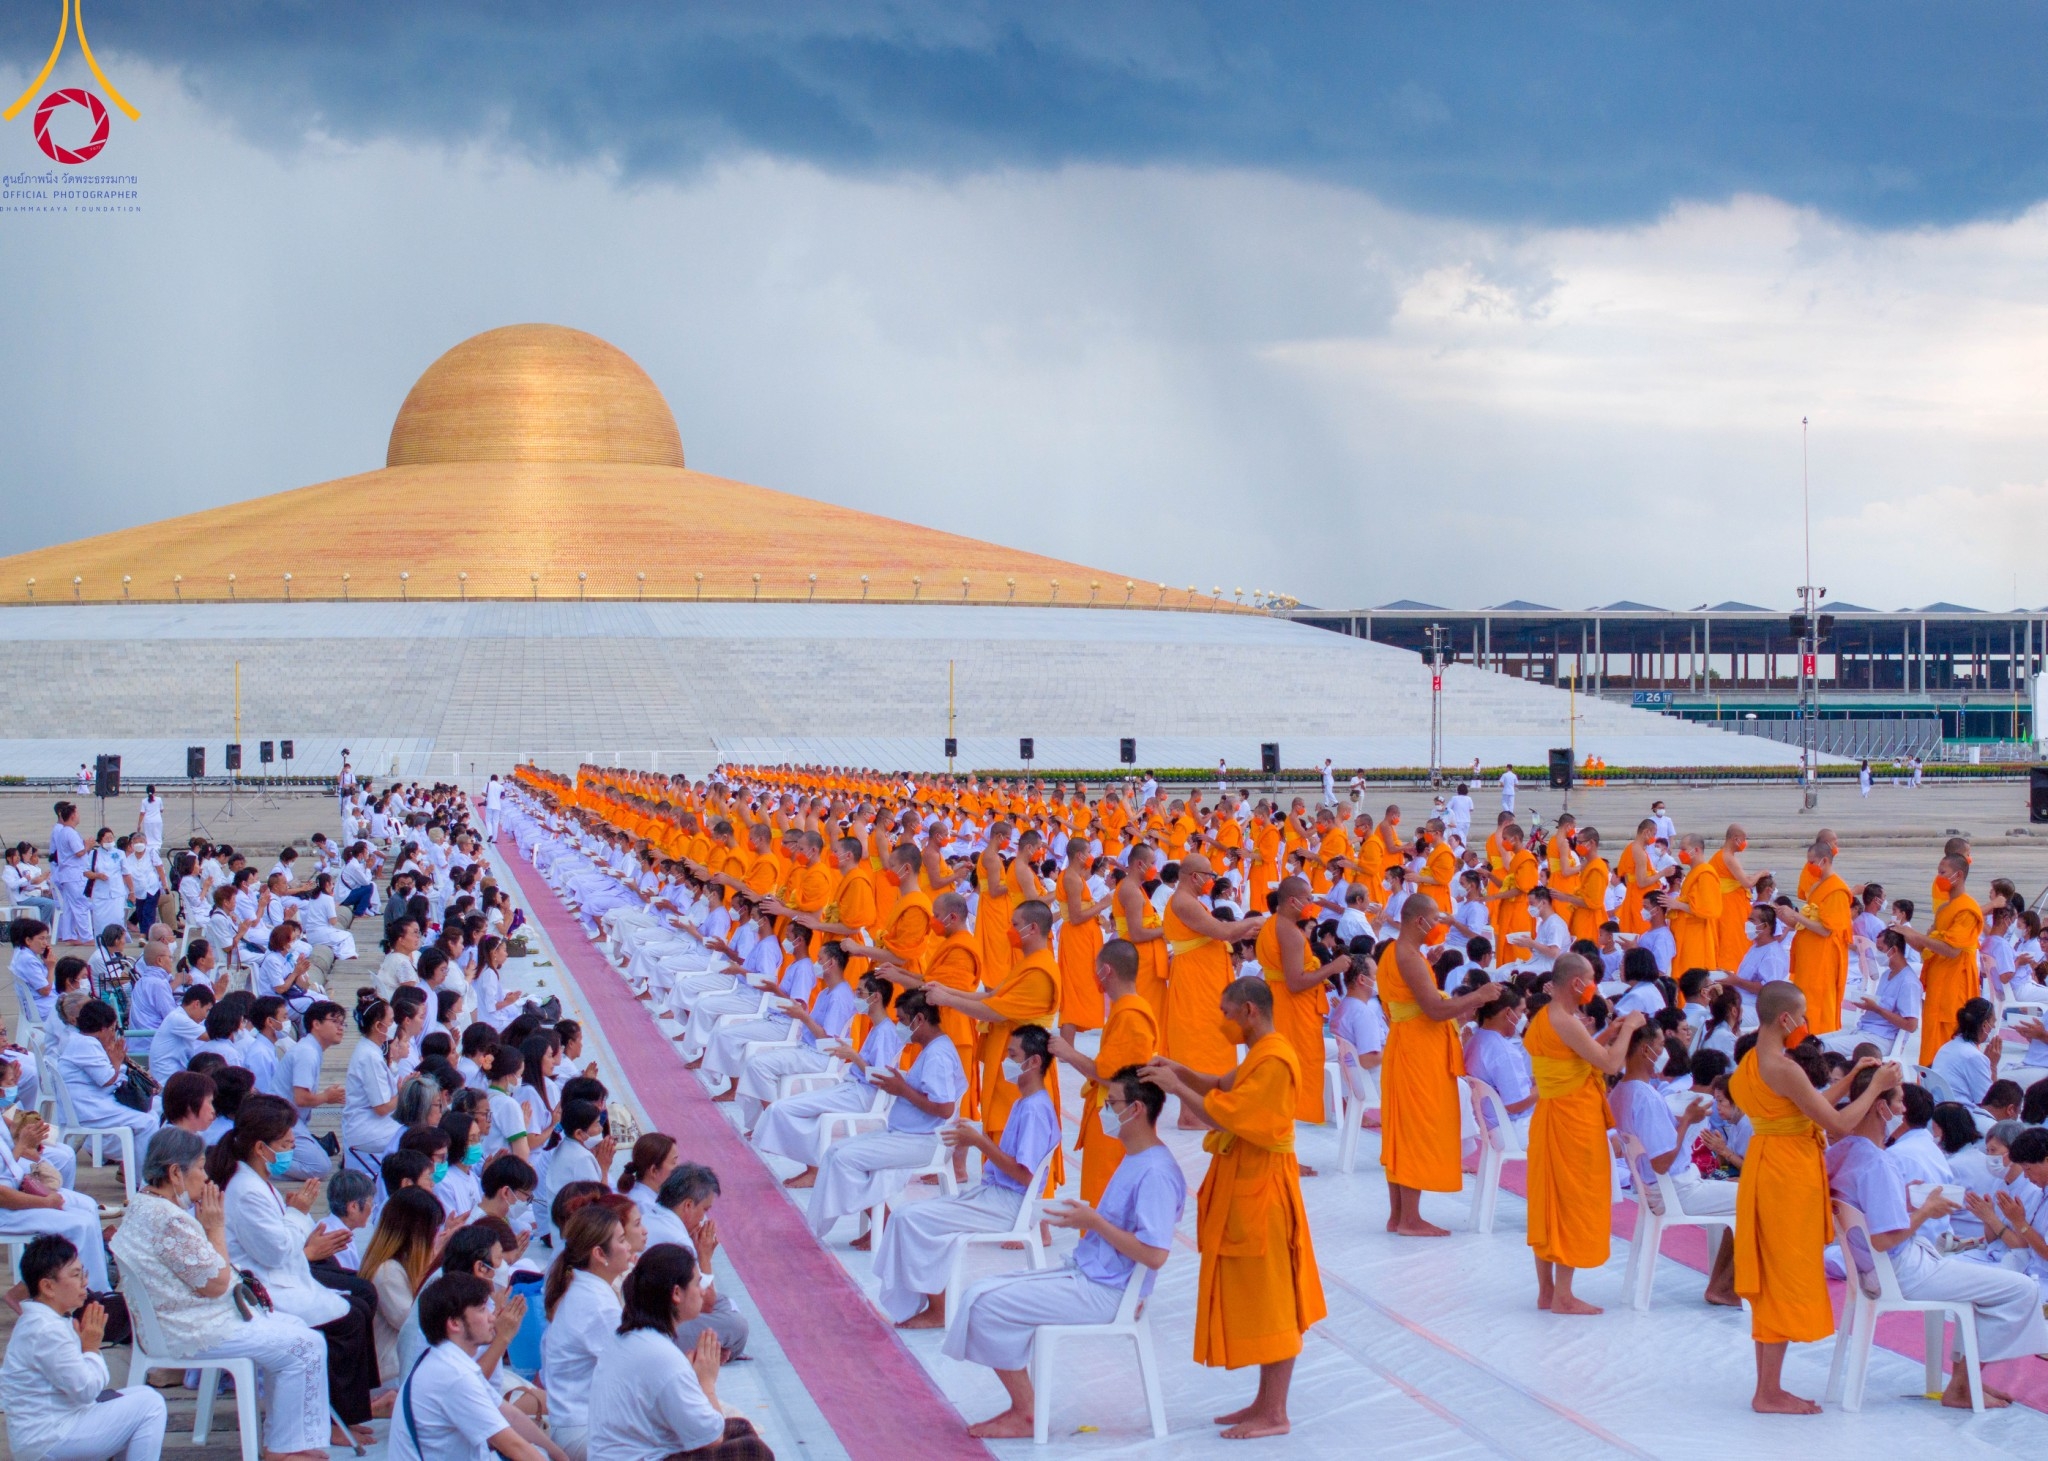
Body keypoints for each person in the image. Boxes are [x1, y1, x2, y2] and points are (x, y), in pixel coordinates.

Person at [945, 1068, 1186, 1440]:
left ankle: (1024, 1411)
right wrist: (1081, 1218)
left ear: (1135, 1109)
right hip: (1092, 1274)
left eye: (1110, 1104)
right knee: (983, 1290)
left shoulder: (1155, 1171)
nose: (1103, 1111)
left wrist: (1093, 1222)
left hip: (1108, 1292)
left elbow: (1155, 1255)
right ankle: (1023, 1406)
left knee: (987, 1303)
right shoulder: (1136, 1157)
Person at [1142, 977, 1324, 1440]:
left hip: (1264, 1190)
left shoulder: (1276, 1059)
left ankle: (1276, 1412)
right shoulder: (1260, 1054)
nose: (1221, 1022)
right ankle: (1264, 1401)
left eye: (1225, 1013)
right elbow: (1221, 1086)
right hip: (1247, 1181)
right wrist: (1179, 1070)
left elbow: (1226, 1113)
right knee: (1259, 1298)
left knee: (1274, 1302)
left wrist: (1176, 1089)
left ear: (1248, 1011)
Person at [1828, 1063, 2047, 1408]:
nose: (1903, 1112)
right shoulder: (1878, 1162)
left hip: (1878, 1268)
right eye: (1899, 1102)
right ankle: (1962, 1385)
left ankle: (1968, 1381)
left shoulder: (1842, 1152)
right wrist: (1926, 1211)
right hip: (1903, 1268)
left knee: (1990, 1284)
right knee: (2020, 1289)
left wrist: (1906, 1198)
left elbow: (1869, 1208)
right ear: (1882, 1107)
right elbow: (1885, 1240)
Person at [111, 1128, 331, 1460]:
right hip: (190, 1326)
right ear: (175, 1173)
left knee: (298, 1330)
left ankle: (286, 1441)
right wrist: (215, 1226)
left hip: (184, 1316)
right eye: (199, 1167)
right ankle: (281, 1449)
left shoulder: (146, 1203)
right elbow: (215, 1283)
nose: (205, 1176)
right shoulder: (168, 1219)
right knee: (306, 1345)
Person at [1732, 981, 1899, 1414]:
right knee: (1784, 1278)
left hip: (1766, 1165)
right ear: (1786, 1019)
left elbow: (1805, 1108)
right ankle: (1768, 1391)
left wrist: (1847, 1084)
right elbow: (1838, 1127)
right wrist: (1874, 1084)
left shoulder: (1752, 1060)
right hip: (1787, 1176)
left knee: (1774, 1278)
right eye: (1802, 1015)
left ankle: (1766, 1387)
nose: (1806, 1023)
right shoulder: (1783, 1067)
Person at [210, 1094, 379, 1435]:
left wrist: (296, 1220)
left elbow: (281, 1242)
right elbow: (275, 1252)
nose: (291, 1150)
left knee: (360, 1303)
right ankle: (332, 1419)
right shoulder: (245, 1189)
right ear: (261, 1148)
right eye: (286, 1144)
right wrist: (298, 1212)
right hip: (260, 1287)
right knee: (348, 1319)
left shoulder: (256, 1182)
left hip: (279, 1273)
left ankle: (350, 1411)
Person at [874, 1025, 1062, 1328]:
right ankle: (928, 1300)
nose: (1006, 1062)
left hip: (1008, 1203)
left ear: (1035, 1062)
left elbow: (1026, 1176)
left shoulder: (1035, 1109)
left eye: (1012, 1055)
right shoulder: (1025, 1102)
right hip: (994, 1195)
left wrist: (980, 1142)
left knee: (909, 1218)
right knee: (907, 1216)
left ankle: (938, 1308)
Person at [1525, 953, 1640, 1315]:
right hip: (1572, 1120)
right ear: (1577, 983)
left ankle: (1547, 1291)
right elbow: (1609, 1064)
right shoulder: (1565, 1019)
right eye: (1590, 979)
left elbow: (1574, 1055)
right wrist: (1632, 1028)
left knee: (1549, 1201)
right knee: (1571, 1202)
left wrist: (1608, 1033)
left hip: (1549, 1116)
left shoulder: (1546, 1017)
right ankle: (1563, 1295)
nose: (1594, 986)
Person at [805, 989, 966, 1246]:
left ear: (920, 1019)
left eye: (902, 1020)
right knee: (835, 1151)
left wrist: (901, 1088)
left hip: (924, 1140)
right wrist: (901, 1083)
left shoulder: (938, 1054)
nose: (899, 1027)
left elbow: (945, 1109)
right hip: (908, 1133)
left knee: (844, 1159)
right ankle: (869, 1221)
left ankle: (883, 1222)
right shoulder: (932, 1048)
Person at [585, 1244, 770, 1461]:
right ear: (676, 1293)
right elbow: (712, 1438)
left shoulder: (630, 1336)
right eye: (696, 1283)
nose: (703, 1291)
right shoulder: (663, 1355)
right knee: (754, 1451)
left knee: (740, 1427)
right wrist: (706, 1383)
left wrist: (690, 1375)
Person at [0, 1235, 167, 1461]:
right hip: (49, 1439)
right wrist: (91, 1348)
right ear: (48, 1286)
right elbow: (86, 1390)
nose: (84, 1283)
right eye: (76, 1275)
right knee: (151, 1405)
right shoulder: (46, 1330)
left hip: (46, 1432)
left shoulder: (43, 1321)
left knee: (139, 1395)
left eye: (83, 1274)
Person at [1378, 898, 1490, 1236]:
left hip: (1406, 1043)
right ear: (1418, 922)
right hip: (1417, 1050)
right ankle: (1410, 1219)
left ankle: (1399, 1216)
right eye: (1435, 920)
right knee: (1416, 1129)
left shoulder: (1399, 952)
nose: (1440, 925)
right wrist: (1478, 996)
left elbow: (1412, 999)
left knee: (1403, 1128)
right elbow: (1434, 1010)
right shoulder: (1408, 957)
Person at [1609, 1023, 1738, 1305]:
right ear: (1646, 1050)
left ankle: (1721, 1282)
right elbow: (1663, 1161)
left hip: (1657, 1187)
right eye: (1659, 1047)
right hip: (1675, 1188)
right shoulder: (1644, 1095)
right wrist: (1688, 1123)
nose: (1663, 1054)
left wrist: (1681, 1122)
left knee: (1739, 1192)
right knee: (1758, 1198)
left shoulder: (1621, 1091)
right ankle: (1725, 1286)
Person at [390, 1272, 551, 1461]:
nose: (492, 1318)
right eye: (483, 1309)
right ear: (454, 1323)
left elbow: (511, 1416)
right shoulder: (454, 1375)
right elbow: (513, 1445)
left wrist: (561, 1457)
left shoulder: (446, 1359)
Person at [1047, 938, 1158, 1205]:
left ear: (1107, 970)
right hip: (1115, 1113)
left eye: (1096, 969)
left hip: (1118, 1117)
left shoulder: (1131, 1015)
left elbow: (1109, 1073)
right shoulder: (1126, 1009)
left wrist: (1068, 1052)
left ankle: (1101, 1245)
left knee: (1104, 1192)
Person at [540, 1205, 633, 1461]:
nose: (629, 1248)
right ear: (599, 1253)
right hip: (584, 1431)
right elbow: (632, 1374)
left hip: (577, 1423)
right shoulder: (597, 1304)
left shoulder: (589, 1288)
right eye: (622, 1240)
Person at [641, 1164, 750, 1358]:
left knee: (723, 1302)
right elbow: (706, 1304)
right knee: (736, 1326)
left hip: (648, 1307)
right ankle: (712, 1352)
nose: (703, 1218)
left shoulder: (648, 1213)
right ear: (688, 1206)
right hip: (657, 1324)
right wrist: (704, 1257)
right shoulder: (679, 1240)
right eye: (704, 1209)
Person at [1894, 853, 1981, 1064]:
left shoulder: (1967, 910)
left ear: (1958, 875)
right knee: (1932, 1039)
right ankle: (1928, 1086)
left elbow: (1952, 950)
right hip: (1938, 984)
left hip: (1954, 987)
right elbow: (1926, 944)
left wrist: (1917, 936)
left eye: (1943, 873)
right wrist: (1904, 934)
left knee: (1950, 1040)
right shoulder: (1944, 909)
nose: (1938, 877)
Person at [364, 1187, 447, 1381]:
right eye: (434, 1229)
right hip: (393, 1372)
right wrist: (436, 1263)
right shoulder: (388, 1273)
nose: (437, 1235)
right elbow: (417, 1326)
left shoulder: (400, 1266)